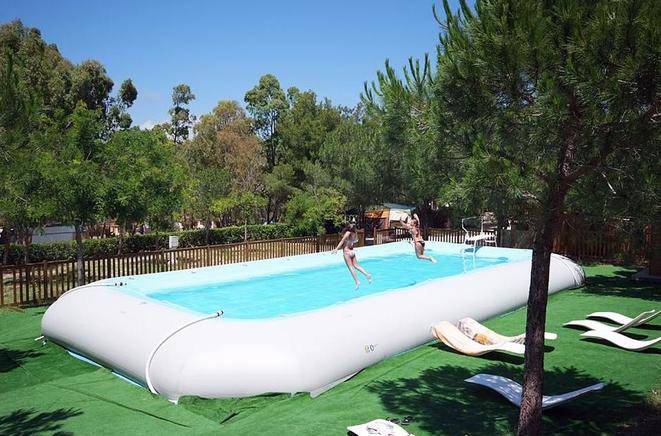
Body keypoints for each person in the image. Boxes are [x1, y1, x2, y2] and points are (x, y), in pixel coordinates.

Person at [332, 223, 372, 289]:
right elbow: (355, 241)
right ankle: (367, 275)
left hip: (347, 252)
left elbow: (342, 241)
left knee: (351, 267)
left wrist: (336, 249)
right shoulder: (354, 234)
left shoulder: (348, 232)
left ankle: (357, 281)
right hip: (352, 251)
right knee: (357, 266)